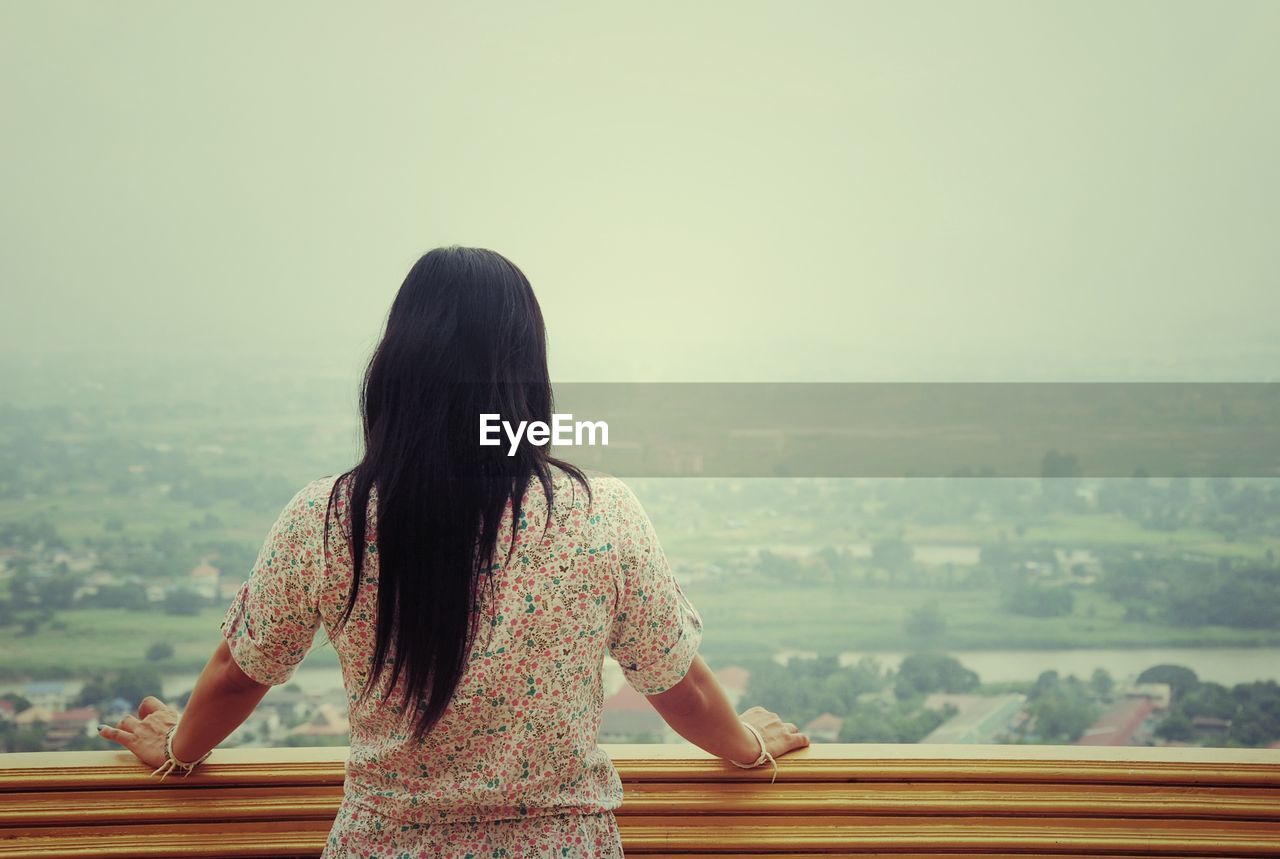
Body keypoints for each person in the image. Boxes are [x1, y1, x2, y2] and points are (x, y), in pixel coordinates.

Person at [100, 246, 809, 857]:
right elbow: (676, 685)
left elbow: (238, 673)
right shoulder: (602, 514)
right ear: (525, 377)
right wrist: (749, 744)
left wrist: (177, 751)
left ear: (397, 366)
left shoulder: (328, 517)